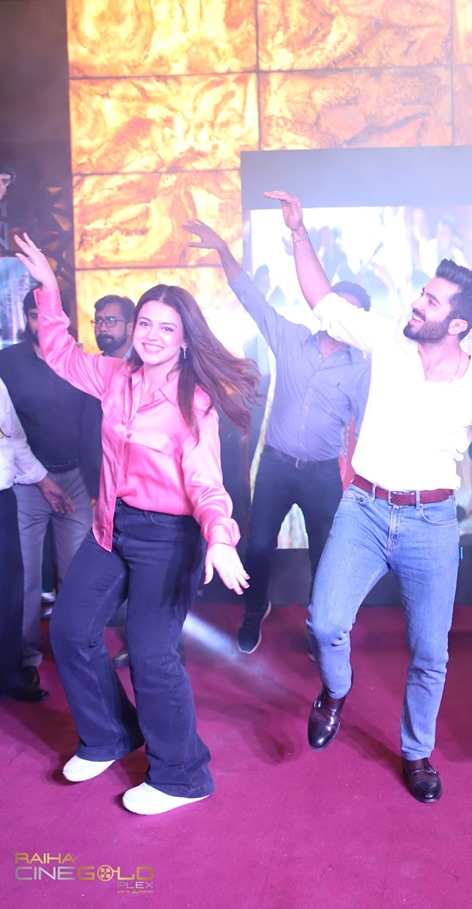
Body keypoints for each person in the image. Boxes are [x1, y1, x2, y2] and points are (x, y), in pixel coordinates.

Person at [265, 189, 472, 804]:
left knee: (430, 654)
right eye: (422, 292)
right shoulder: (388, 339)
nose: (417, 303)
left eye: (431, 301)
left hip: (431, 524)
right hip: (363, 511)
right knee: (325, 623)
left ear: (458, 324)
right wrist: (299, 231)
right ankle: (336, 691)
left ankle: (417, 752)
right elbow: (322, 300)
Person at [15, 231, 260, 816]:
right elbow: (60, 353)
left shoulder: (193, 400)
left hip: (167, 540)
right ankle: (108, 736)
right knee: (70, 630)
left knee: (151, 654)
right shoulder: (114, 377)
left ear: (184, 340)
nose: (151, 335)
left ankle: (183, 775)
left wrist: (220, 538)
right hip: (110, 528)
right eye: (145, 323)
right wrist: (48, 289)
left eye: (165, 329)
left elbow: (206, 482)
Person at [183, 219, 370, 655]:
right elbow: (250, 297)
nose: (340, 316)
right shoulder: (290, 338)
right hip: (276, 466)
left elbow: (367, 429)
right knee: (259, 545)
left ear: (359, 320)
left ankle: (320, 624)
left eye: (351, 311)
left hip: (323, 475)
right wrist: (222, 249)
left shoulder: (362, 370)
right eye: (335, 306)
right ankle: (255, 610)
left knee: (324, 554)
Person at [0, 287, 99, 694]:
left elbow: (94, 423)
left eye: (48, 314)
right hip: (26, 482)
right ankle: (23, 659)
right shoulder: (7, 362)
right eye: (33, 315)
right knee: (23, 577)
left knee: (76, 572)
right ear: (26, 319)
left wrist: (97, 481)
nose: (41, 323)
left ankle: (72, 647)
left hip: (74, 477)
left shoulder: (79, 361)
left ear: (63, 318)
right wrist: (37, 478)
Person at [0, 377, 72, 702]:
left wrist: (44, 482)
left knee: (9, 590)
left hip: (2, 495)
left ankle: (10, 674)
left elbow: (14, 437)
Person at [92, 294, 135, 358]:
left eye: (111, 320)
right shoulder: (94, 363)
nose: (102, 328)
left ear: (130, 327)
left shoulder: (145, 361)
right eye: (98, 321)